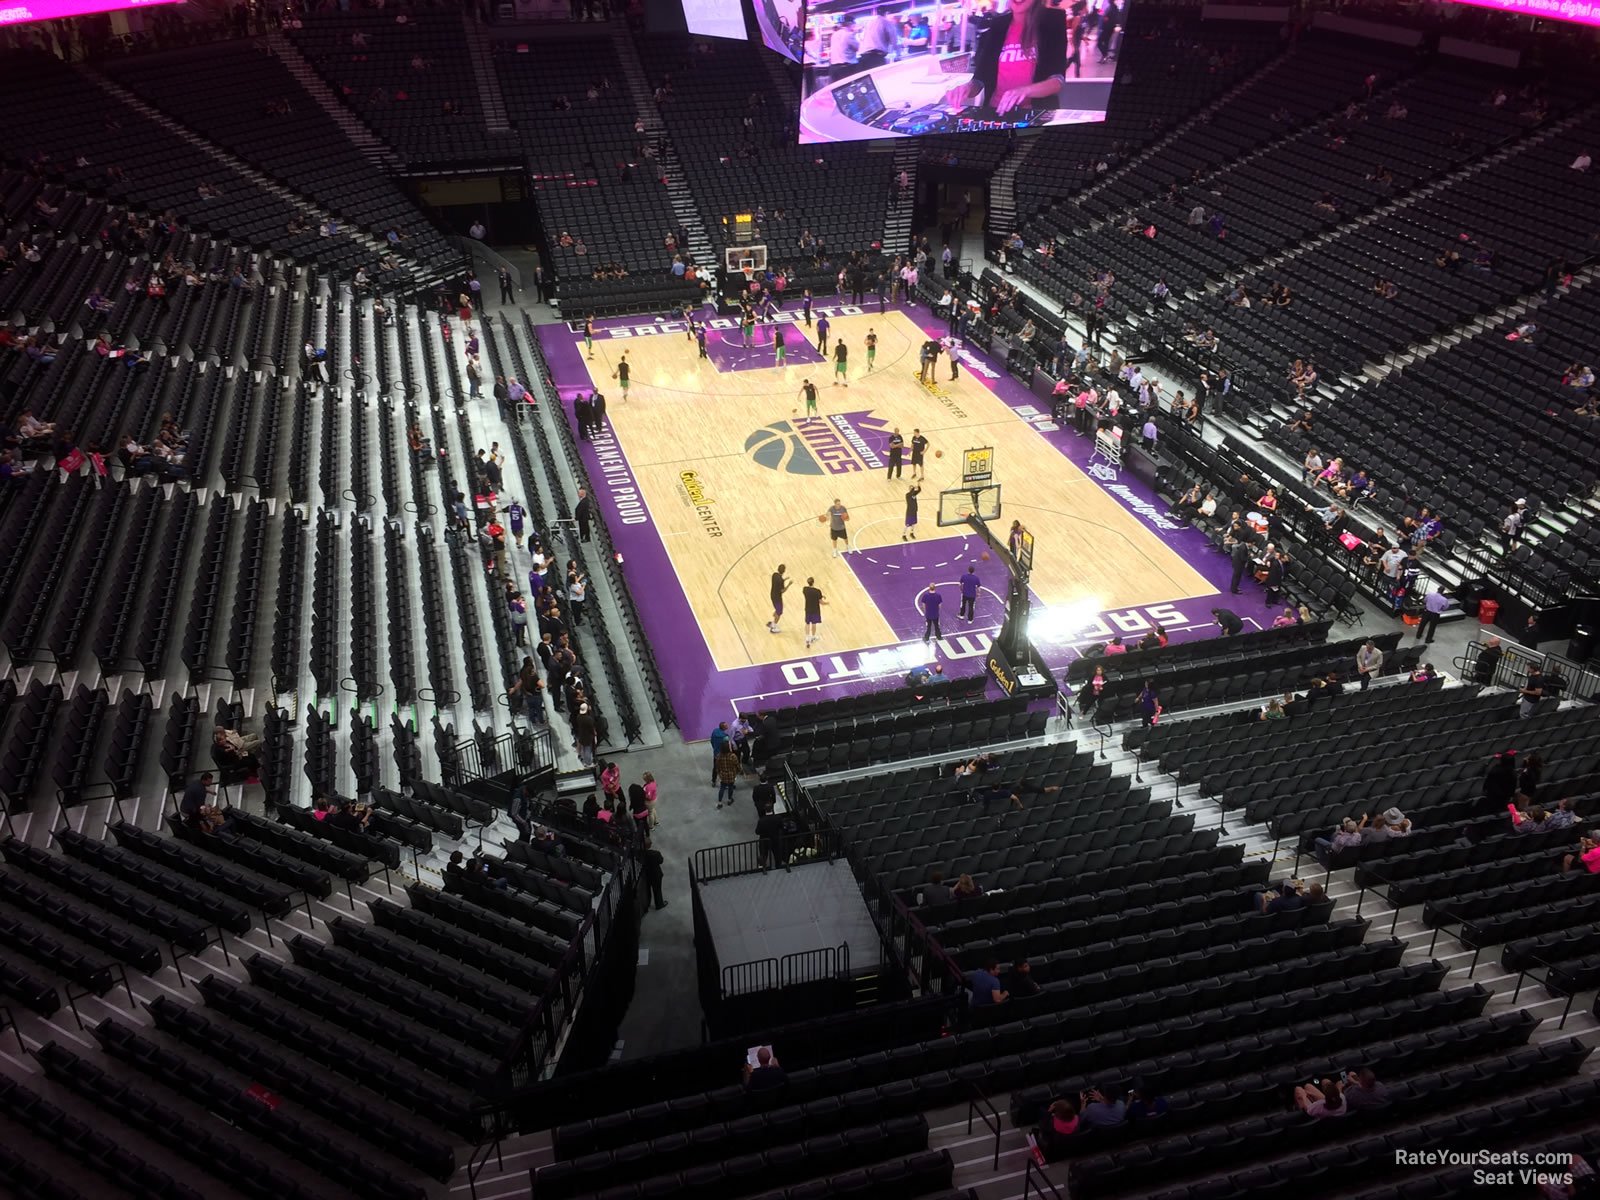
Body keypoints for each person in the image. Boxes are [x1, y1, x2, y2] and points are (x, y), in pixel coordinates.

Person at [945, 0, 1068, 116]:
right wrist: (967, 88)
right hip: (995, 113)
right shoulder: (998, 24)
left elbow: (1057, 81)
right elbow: (980, 79)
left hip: (1034, 115)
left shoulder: (1053, 20)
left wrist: (1024, 91)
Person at [642, 841, 667, 910]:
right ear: (649, 845)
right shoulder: (655, 853)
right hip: (656, 874)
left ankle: (647, 904)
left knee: (647, 890)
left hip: (646, 874)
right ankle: (659, 904)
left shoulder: (640, 853)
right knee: (657, 890)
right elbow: (661, 861)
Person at [803, 576, 826, 648]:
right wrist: (827, 603)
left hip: (808, 608)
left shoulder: (805, 589)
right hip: (815, 609)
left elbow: (814, 595)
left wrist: (821, 596)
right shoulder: (817, 591)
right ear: (813, 582)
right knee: (813, 623)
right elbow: (821, 602)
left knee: (807, 623)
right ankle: (813, 637)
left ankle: (807, 637)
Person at [768, 564, 791, 634]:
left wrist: (784, 579)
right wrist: (789, 584)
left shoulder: (774, 575)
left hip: (772, 595)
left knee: (777, 610)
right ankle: (773, 627)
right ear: (784, 571)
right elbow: (782, 591)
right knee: (779, 612)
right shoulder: (781, 581)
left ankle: (772, 622)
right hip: (777, 598)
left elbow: (778, 581)